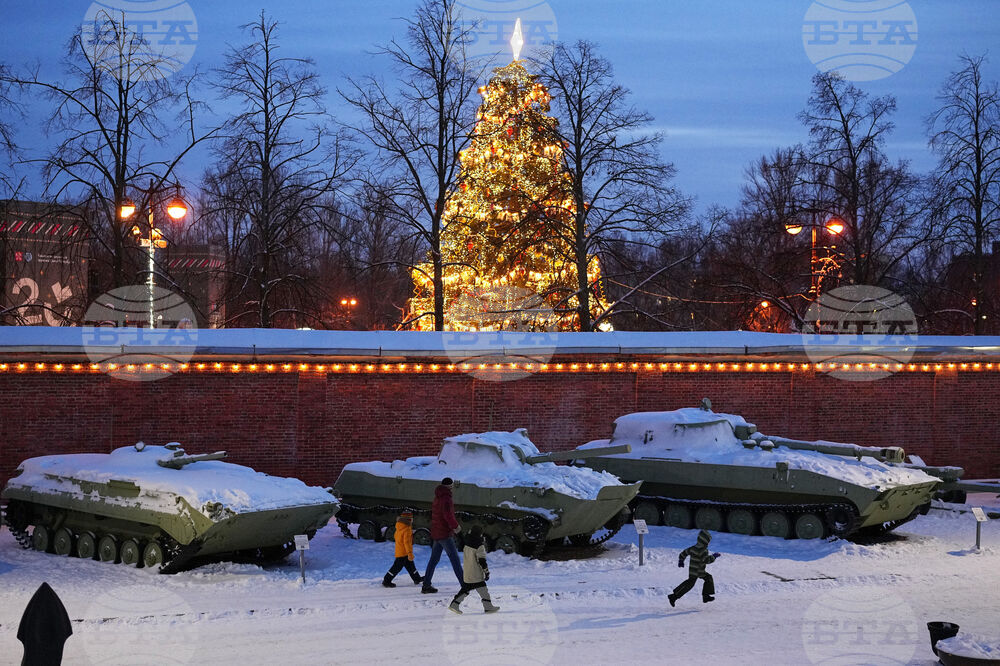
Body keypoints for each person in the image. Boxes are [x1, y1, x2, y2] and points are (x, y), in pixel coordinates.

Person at [421, 477, 464, 594]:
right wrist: (456, 528)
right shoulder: (446, 498)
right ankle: (465, 585)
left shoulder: (437, 496)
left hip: (437, 532)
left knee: (433, 560)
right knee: (455, 559)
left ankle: (426, 585)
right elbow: (448, 516)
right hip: (444, 533)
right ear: (450, 486)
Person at [449, 525, 499, 614]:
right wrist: (486, 572)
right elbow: (482, 560)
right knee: (482, 589)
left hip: (468, 571)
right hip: (476, 573)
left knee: (467, 589)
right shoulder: (479, 546)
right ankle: (488, 607)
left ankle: (455, 604)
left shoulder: (467, 542)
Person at [668, 529, 721, 606]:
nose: (708, 543)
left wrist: (681, 560)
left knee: (698, 581)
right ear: (705, 541)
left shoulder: (693, 548)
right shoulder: (703, 550)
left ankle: (705, 596)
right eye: (708, 541)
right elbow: (706, 560)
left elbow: (684, 553)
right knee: (693, 583)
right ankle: (673, 596)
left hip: (693, 570)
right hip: (698, 571)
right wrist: (714, 556)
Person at [382, 512, 423, 588]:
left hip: (400, 550)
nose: (412, 521)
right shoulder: (407, 529)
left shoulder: (399, 526)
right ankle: (386, 580)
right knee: (396, 567)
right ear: (408, 520)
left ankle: (417, 578)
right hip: (404, 553)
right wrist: (410, 553)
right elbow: (407, 543)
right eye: (411, 519)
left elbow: (396, 537)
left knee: (411, 566)